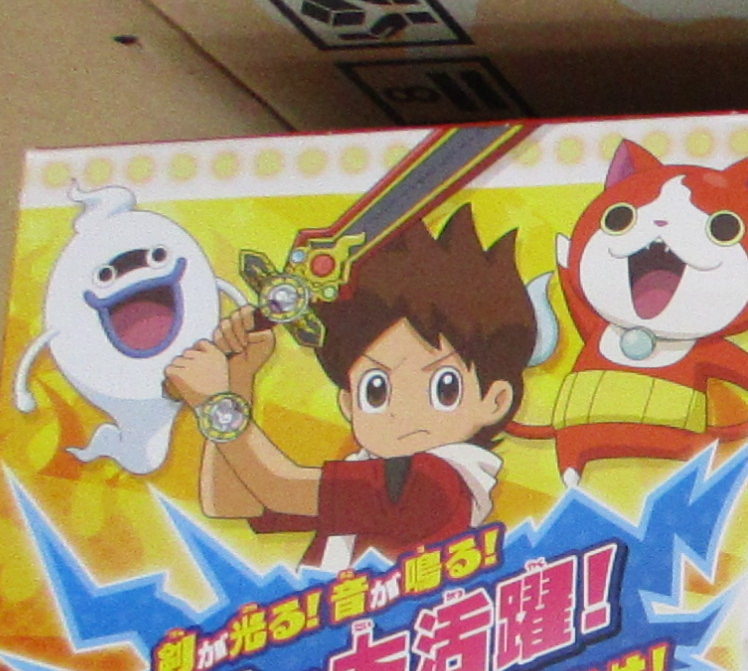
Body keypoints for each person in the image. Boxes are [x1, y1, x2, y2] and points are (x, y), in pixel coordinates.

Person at [165, 205, 536, 568]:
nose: (400, 410)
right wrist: (239, 378)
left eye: (444, 388)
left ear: (495, 400)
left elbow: (280, 486)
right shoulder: (366, 474)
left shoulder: (436, 483)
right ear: (348, 402)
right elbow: (232, 501)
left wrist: (215, 402)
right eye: (376, 391)